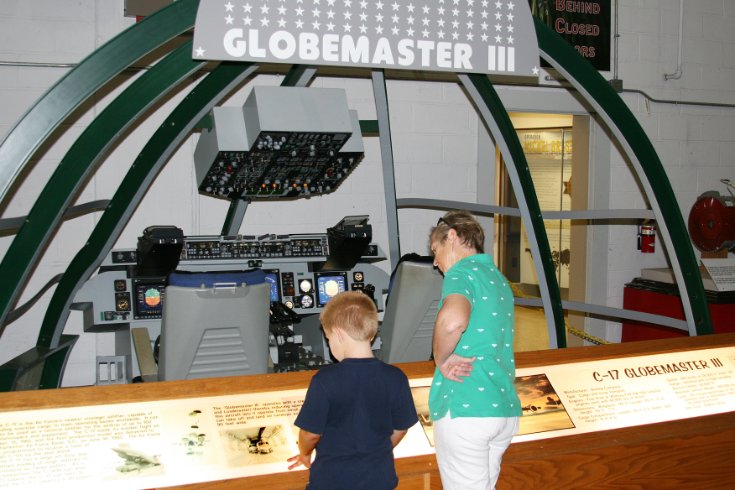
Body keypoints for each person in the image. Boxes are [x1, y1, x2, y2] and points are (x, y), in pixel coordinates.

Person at [428, 210, 522, 490]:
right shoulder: (497, 279)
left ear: (453, 237)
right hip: (501, 406)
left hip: (467, 407)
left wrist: (441, 359)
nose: (435, 262)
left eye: (436, 250)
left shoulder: (460, 273)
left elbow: (453, 321)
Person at [287, 291, 419, 489]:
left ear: (338, 334)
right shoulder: (396, 377)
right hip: (380, 479)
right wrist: (376, 450)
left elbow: (310, 434)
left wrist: (305, 453)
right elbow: (401, 427)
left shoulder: (324, 380)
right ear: (371, 333)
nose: (329, 343)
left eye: (328, 337)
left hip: (333, 481)